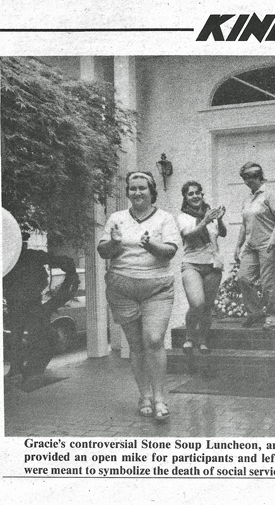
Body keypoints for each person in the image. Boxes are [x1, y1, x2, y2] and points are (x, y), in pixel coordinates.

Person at [97, 171, 180, 422]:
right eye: (132, 188)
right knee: (135, 345)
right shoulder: (117, 218)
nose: (137, 193)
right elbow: (103, 251)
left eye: (142, 188)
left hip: (156, 288)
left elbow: (169, 252)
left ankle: (160, 398)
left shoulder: (165, 218)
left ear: (152, 191)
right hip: (122, 288)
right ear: (128, 192)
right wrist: (114, 243)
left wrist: (151, 245)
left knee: (154, 340)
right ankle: (144, 396)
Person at [3, 234, 79, 378]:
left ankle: (19, 370)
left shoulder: (14, 258)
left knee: (20, 336)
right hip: (27, 302)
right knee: (26, 336)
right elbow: (64, 262)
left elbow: (63, 262)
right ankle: (20, 370)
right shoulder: (30, 256)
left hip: (21, 302)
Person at [176, 180, 226, 355]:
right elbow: (188, 235)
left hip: (212, 264)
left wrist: (219, 219)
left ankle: (203, 340)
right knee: (197, 303)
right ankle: (190, 337)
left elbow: (222, 233)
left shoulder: (209, 213)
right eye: (191, 193)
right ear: (185, 197)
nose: (195, 196)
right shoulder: (183, 217)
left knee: (207, 307)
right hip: (192, 264)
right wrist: (205, 221)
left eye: (198, 192)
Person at [234, 162, 275, 330]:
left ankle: (272, 316)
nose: (247, 181)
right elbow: (244, 224)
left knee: (267, 282)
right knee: (243, 278)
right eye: (244, 178)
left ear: (258, 177)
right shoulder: (247, 199)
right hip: (251, 246)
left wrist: (273, 238)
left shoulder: (270, 194)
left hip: (268, 245)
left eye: (250, 178)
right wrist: (238, 246)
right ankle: (255, 312)